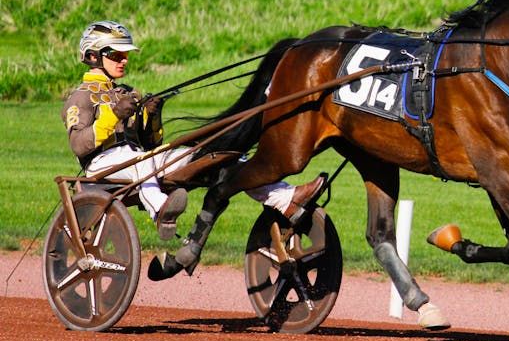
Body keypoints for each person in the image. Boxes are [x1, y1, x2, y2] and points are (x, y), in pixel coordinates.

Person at [62, 20, 325, 240]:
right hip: (101, 167)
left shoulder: (128, 93)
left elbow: (149, 143)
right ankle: (160, 210)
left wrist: (153, 115)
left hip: (139, 161)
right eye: (116, 55)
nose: (124, 60)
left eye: (125, 54)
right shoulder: (81, 97)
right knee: (144, 161)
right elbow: (79, 145)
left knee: (219, 155)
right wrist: (114, 113)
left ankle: (284, 197)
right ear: (94, 56)